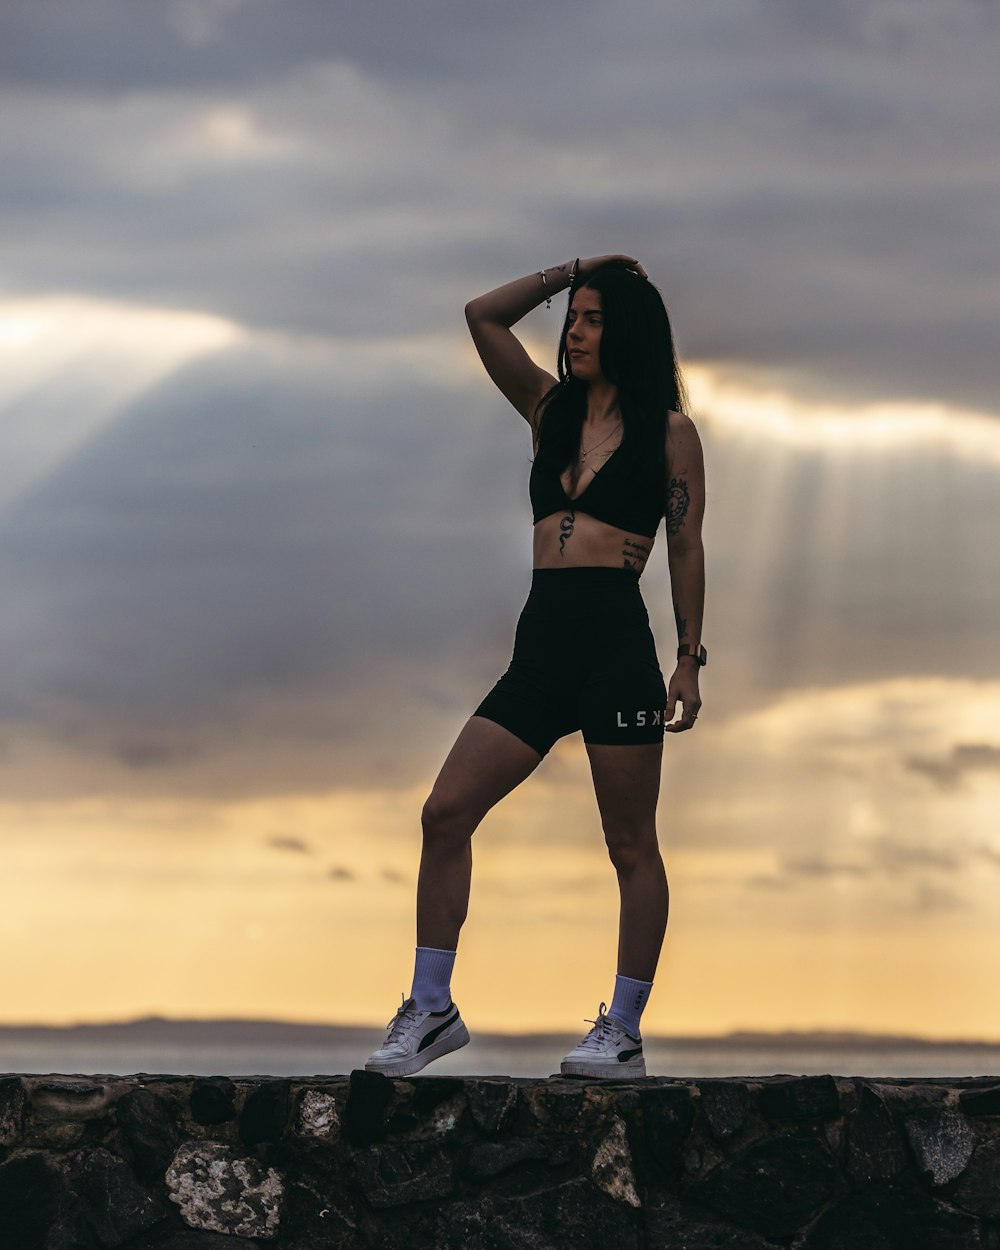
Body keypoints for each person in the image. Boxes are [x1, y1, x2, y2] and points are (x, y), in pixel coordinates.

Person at [365, 254, 705, 1079]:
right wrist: (574, 271)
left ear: (624, 332)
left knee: (630, 843)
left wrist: (689, 659)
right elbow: (483, 314)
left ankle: (621, 1029)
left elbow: (687, 546)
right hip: (542, 647)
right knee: (445, 813)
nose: (575, 332)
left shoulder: (668, 433)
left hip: (616, 648)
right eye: (573, 318)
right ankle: (432, 1008)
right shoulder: (547, 408)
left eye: (591, 319)